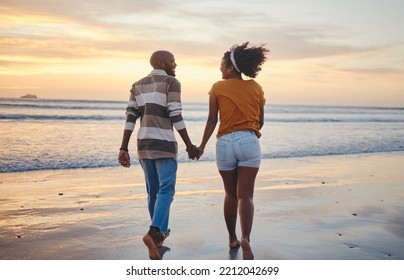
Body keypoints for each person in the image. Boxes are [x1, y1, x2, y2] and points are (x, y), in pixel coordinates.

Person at [118, 50, 199, 260]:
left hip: (143, 143)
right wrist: (190, 145)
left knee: (153, 192)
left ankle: (159, 237)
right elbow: (175, 114)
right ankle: (154, 232)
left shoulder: (137, 84)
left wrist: (123, 148)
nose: (176, 64)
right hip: (163, 143)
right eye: (173, 61)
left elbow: (130, 117)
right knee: (167, 190)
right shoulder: (172, 82)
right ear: (162, 63)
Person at [197, 42, 269, 260]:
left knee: (230, 194)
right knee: (246, 195)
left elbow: (212, 120)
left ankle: (232, 238)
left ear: (229, 68)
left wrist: (201, 146)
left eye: (221, 65)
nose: (220, 69)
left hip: (225, 143)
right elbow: (260, 121)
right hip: (248, 141)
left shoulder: (217, 87)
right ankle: (246, 238)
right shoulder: (256, 87)